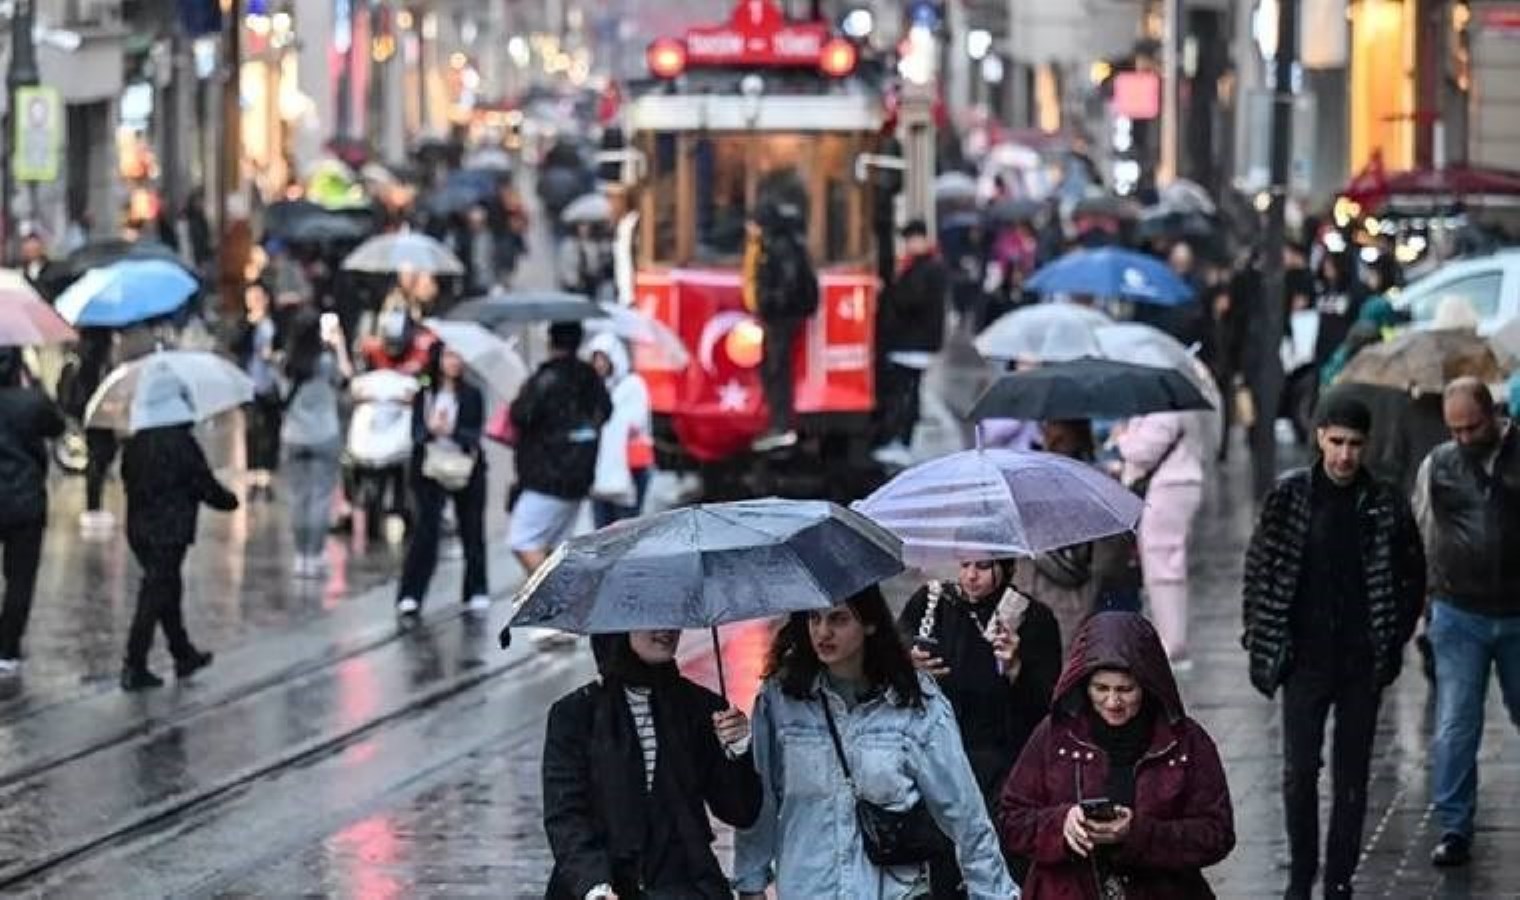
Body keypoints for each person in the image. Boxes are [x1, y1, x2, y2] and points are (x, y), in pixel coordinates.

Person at [1241, 394, 1425, 897]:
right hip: (1304, 659)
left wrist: (1392, 635)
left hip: (1361, 662)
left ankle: (1339, 878)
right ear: (1320, 436)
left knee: (1352, 775)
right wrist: (1259, 633)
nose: (1345, 455)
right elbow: (1259, 567)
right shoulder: (1290, 497)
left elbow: (1411, 574)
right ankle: (1303, 874)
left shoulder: (1384, 501)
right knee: (1300, 773)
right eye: (1337, 442)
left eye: (1355, 444)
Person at [734, 585, 1016, 899]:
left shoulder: (915, 703)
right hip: (809, 887)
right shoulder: (781, 701)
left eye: (838, 619)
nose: (822, 632)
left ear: (869, 624)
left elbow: (965, 812)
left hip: (892, 890)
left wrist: (992, 891)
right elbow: (760, 803)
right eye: (814, 618)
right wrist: (750, 884)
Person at [998, 612, 1235, 898]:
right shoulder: (1053, 735)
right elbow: (1012, 819)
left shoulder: (1186, 741)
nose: (1112, 702)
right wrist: (1062, 824)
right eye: (1101, 689)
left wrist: (1138, 834)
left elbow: (1216, 833)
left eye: (1125, 690)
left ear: (1146, 687)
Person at [542, 631, 761, 898]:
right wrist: (594, 886)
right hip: (603, 888)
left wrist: (737, 751)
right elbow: (565, 815)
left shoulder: (701, 708)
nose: (666, 629)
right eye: (650, 619)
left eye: (672, 616)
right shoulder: (577, 714)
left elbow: (741, 811)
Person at [899, 558, 1063, 892]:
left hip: (1003, 768)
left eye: (983, 566)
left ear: (1005, 567)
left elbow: (1049, 708)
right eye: (963, 564)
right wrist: (907, 666)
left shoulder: (1033, 618)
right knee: (943, 869)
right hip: (939, 761)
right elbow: (890, 673)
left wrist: (1017, 667)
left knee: (999, 870)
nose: (971, 576)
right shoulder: (930, 606)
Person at [1411, 377, 1520, 867]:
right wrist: (1424, 599)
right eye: (1453, 429)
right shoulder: (1439, 466)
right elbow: (1423, 531)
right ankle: (1455, 825)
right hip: (1459, 611)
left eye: (1471, 427)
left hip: (1516, 610)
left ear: (1492, 415)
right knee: (1455, 722)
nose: (1462, 437)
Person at [120, 389, 240, 690]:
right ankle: (134, 663)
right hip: (169, 530)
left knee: (165, 588)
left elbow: (128, 479)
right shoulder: (181, 444)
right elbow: (203, 483)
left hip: (139, 528)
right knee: (155, 592)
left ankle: (182, 652)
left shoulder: (136, 443)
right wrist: (229, 500)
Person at [507, 322, 611, 575]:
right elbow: (606, 412)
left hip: (545, 476)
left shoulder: (545, 379)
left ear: (551, 343)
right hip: (580, 474)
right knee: (553, 546)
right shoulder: (591, 378)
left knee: (522, 540)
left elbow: (521, 414)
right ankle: (555, 604)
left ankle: (555, 601)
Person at [395, 343, 489, 619]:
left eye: (459, 356)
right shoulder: (424, 393)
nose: (454, 362)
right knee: (426, 531)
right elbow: (415, 432)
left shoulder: (472, 394)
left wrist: (452, 431)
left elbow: (474, 435)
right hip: (429, 468)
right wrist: (430, 430)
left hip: (465, 468)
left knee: (472, 529)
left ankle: (476, 589)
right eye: (449, 356)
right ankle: (411, 593)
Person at [1115, 411, 1206, 667]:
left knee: (1162, 566)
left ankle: (1171, 643)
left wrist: (1123, 437)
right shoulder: (1178, 406)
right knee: (1165, 564)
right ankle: (1170, 640)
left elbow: (1143, 450)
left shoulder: (1165, 410)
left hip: (1169, 488)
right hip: (1175, 485)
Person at [0, 350, 65, 673]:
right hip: (25, 503)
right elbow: (57, 425)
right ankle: (7, 648)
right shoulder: (31, 402)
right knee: (20, 579)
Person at [280, 308, 353, 579]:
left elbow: (279, 395)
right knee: (321, 497)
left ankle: (300, 556)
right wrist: (339, 346)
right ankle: (316, 553)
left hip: (294, 435)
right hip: (325, 433)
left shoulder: (286, 364)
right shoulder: (326, 361)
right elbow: (345, 381)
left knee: (299, 498)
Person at [875, 219, 949, 467]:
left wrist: (890, 290)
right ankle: (902, 440)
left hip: (912, 343)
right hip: (917, 343)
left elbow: (910, 300)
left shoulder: (924, 268)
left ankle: (902, 440)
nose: (908, 245)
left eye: (911, 240)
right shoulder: (929, 266)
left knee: (906, 392)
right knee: (909, 390)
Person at [747, 198, 818, 452]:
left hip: (781, 317)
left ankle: (781, 424)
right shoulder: (781, 244)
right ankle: (779, 423)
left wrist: (768, 303)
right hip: (782, 316)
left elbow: (785, 284)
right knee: (773, 367)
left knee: (776, 368)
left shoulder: (778, 247)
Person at [584, 332, 653, 528]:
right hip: (601, 471)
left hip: (632, 467)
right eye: (595, 358)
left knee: (626, 528)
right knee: (602, 530)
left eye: (603, 358)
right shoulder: (595, 389)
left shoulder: (632, 385)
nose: (599, 364)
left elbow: (636, 422)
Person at [233, 282, 281, 501]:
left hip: (272, 383)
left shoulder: (275, 324)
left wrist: (275, 355)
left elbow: (284, 347)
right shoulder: (245, 324)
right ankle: (253, 478)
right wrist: (251, 325)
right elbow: (236, 345)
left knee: (270, 431)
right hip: (250, 384)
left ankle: (267, 476)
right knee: (252, 431)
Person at [19, 232, 64, 301]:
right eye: (28, 246)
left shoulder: (53, 270)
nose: (30, 250)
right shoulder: (21, 272)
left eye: (33, 246)